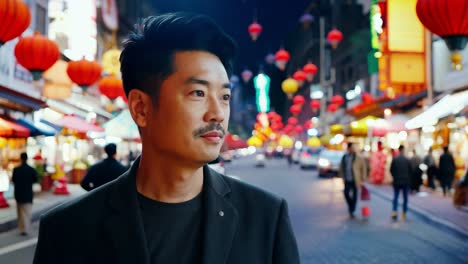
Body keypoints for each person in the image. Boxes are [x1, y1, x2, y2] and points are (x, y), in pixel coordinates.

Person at [34, 12, 299, 263]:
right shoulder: (68, 229)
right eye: (198, 93)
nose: (217, 114)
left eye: (225, 97)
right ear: (141, 108)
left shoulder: (265, 217)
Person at [338, 142, 367, 218]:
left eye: (354, 148)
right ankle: (351, 205)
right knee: (346, 193)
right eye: (352, 148)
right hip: (347, 178)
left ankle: (352, 209)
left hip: (355, 179)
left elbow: (363, 167)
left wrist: (363, 178)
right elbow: (341, 167)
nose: (353, 149)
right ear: (349, 148)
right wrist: (342, 177)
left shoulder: (358, 157)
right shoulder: (345, 157)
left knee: (355, 195)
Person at [12, 153, 38, 236]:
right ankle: (25, 229)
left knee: (20, 213)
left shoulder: (16, 169)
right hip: (28, 194)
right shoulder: (31, 169)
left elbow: (13, 180)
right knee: (27, 213)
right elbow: (35, 180)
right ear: (27, 159)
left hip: (18, 194)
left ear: (21, 158)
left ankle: (21, 228)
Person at [390, 145, 412, 221]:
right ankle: (404, 213)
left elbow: (391, 170)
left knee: (396, 197)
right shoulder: (407, 159)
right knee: (405, 198)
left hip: (397, 181)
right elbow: (410, 171)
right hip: (405, 181)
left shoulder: (395, 159)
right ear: (403, 150)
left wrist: (395, 176)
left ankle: (394, 211)